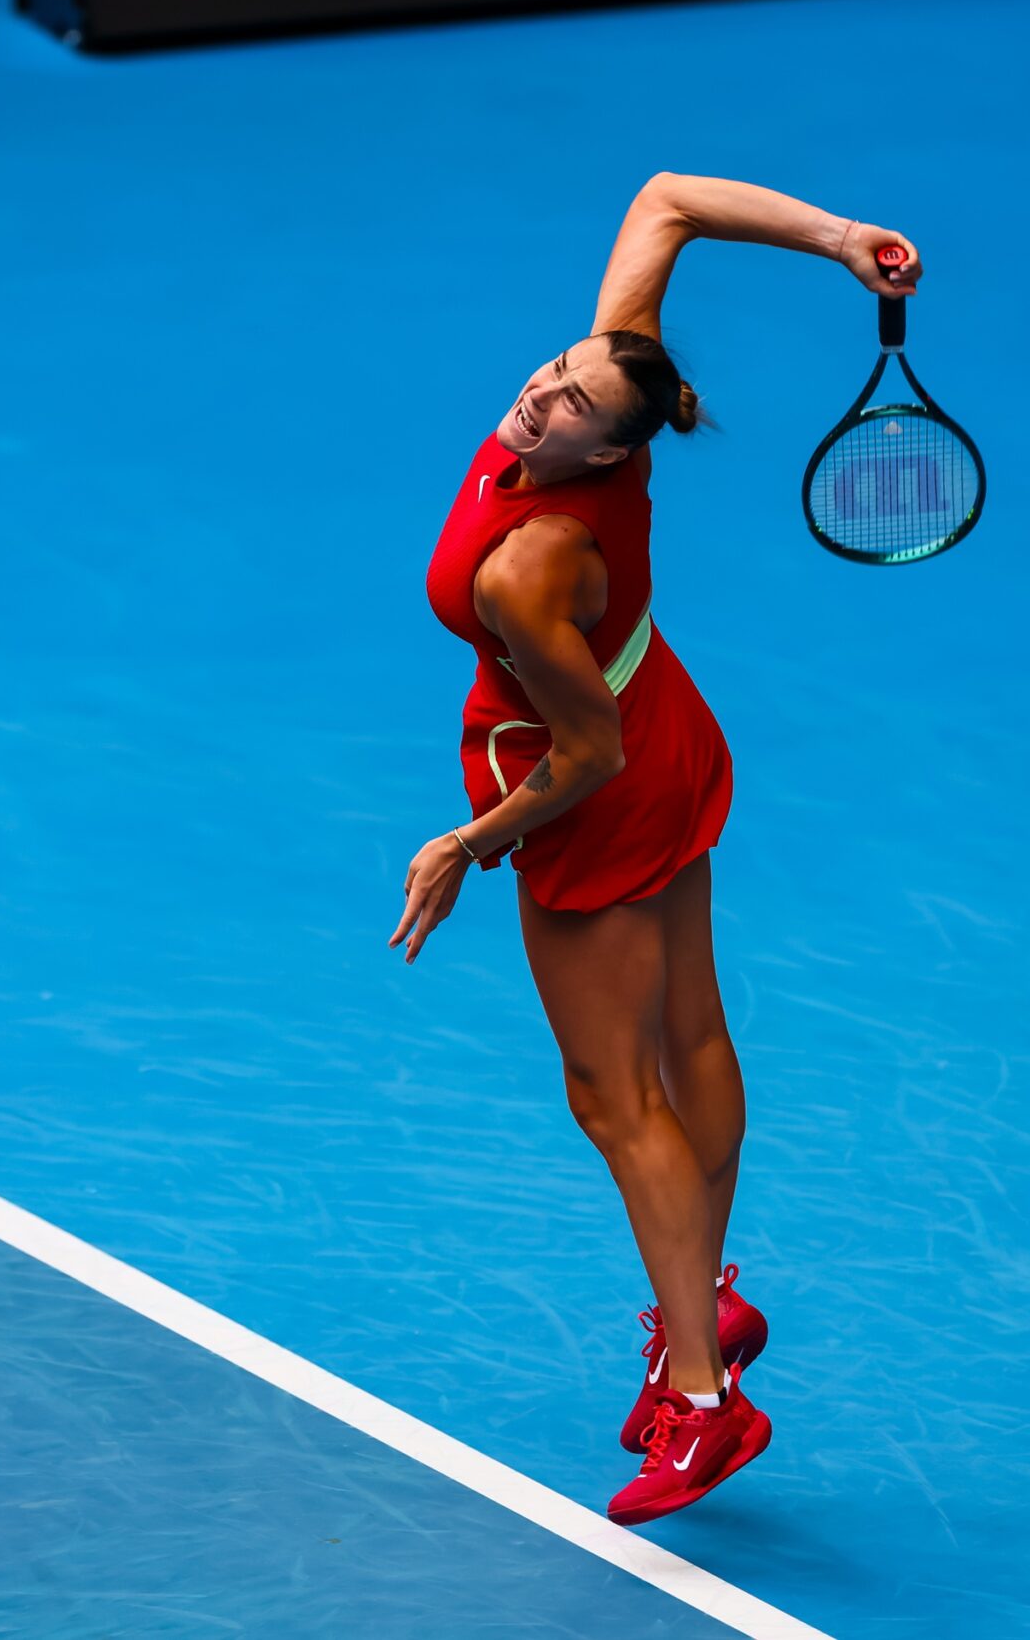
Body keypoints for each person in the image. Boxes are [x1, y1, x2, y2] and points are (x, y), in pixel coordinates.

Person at [394, 172, 921, 1524]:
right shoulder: (615, 386)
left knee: (612, 1096)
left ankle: (700, 1397)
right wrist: (842, 243)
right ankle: (710, 1298)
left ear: (611, 456)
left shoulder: (529, 565)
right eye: (555, 370)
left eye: (570, 407)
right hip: (666, 713)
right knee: (692, 1029)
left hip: (600, 781)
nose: (542, 395)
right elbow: (669, 201)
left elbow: (586, 760)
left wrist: (470, 840)